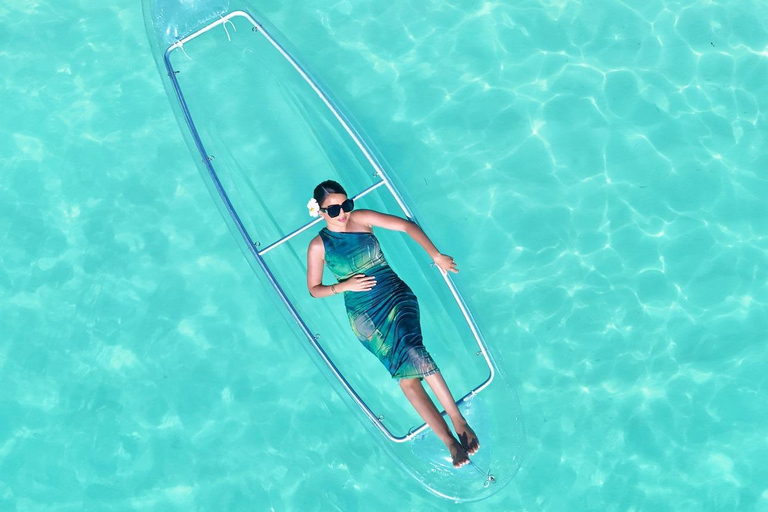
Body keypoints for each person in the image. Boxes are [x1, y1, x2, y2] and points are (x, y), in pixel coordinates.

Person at [305, 179, 479, 468]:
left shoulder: (361, 218)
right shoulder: (318, 246)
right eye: (333, 210)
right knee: (406, 379)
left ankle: (459, 421)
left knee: (413, 350)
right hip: (364, 315)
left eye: (346, 204)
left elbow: (406, 226)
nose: (343, 212)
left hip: (395, 295)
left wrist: (435, 256)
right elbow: (314, 289)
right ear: (320, 212)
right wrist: (343, 286)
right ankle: (449, 442)